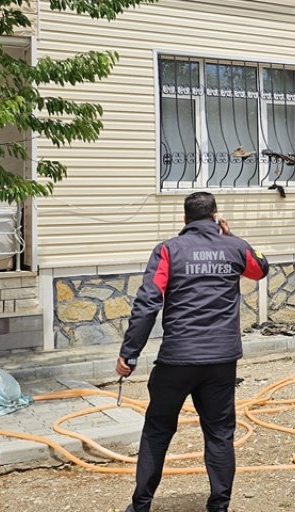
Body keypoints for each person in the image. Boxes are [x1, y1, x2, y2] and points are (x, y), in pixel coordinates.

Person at [118, 191, 269, 512]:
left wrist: (129, 354)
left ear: (184, 219)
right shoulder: (235, 248)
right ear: (216, 216)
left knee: (157, 430)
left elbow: (147, 304)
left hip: (177, 360)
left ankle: (140, 506)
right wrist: (232, 236)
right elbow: (260, 269)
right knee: (219, 434)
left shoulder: (168, 250)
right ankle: (219, 507)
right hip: (221, 362)